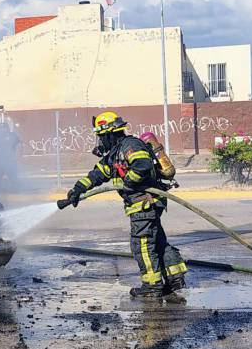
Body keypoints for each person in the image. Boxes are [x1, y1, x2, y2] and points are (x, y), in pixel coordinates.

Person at [64, 112, 187, 298]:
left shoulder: (130, 145)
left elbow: (143, 165)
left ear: (110, 133)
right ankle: (174, 277)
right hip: (146, 203)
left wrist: (129, 181)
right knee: (157, 241)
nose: (100, 140)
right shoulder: (114, 154)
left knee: (142, 244)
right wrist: (77, 190)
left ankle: (152, 285)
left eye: (101, 136)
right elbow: (96, 175)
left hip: (144, 203)